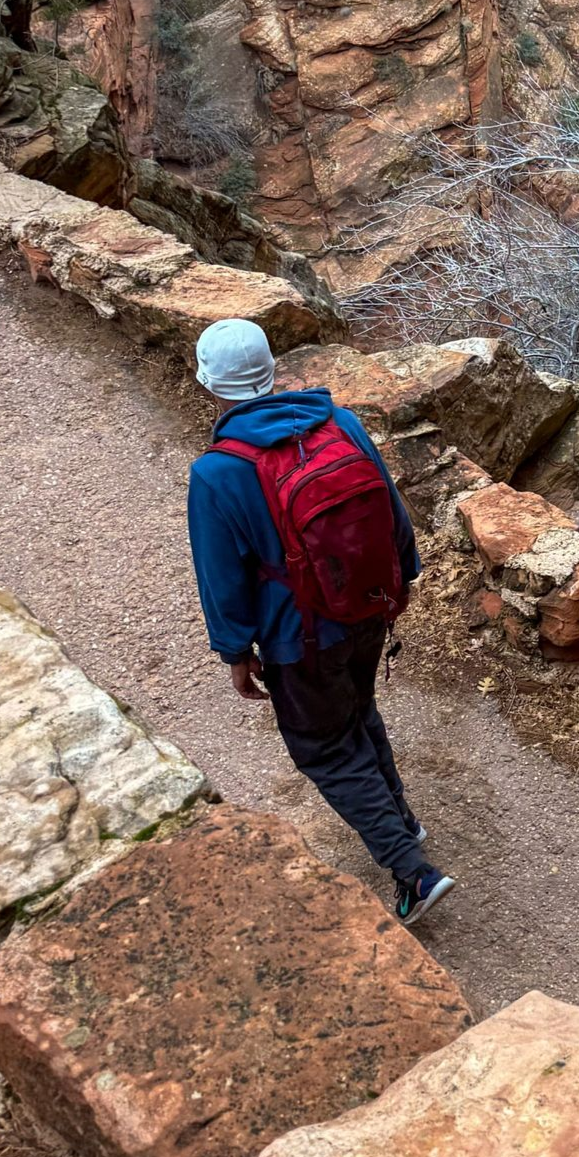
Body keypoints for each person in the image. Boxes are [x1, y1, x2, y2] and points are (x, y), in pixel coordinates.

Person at [186, 319, 454, 925]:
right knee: (357, 713)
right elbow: (390, 508)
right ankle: (401, 819)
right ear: (272, 368)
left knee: (327, 747)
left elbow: (221, 577)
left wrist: (235, 652)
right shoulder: (340, 424)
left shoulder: (218, 472)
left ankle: (413, 870)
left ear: (210, 384)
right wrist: (401, 581)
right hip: (369, 606)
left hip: (298, 636)